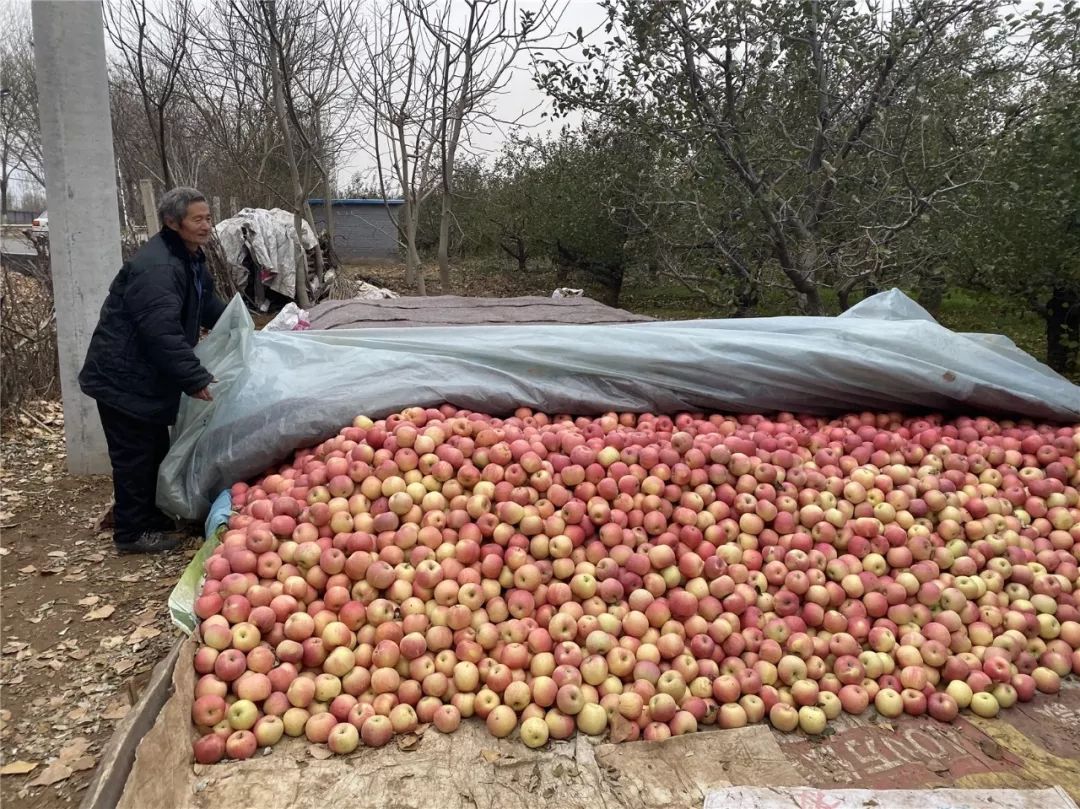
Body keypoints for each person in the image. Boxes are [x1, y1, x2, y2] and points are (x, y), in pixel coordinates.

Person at [80, 186, 226, 554]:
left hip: (143, 375)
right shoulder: (159, 266)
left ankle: (150, 517)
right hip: (122, 376)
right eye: (198, 219)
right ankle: (131, 534)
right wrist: (194, 377)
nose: (206, 225)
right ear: (172, 222)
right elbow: (160, 331)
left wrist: (239, 326)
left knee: (155, 448)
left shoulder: (190, 257)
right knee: (134, 456)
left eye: (208, 217)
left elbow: (206, 301)